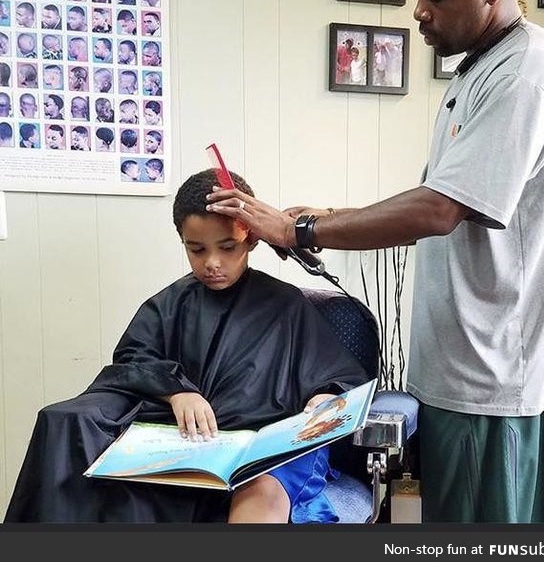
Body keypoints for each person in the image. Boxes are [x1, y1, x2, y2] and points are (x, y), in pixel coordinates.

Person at [206, 0, 544, 524]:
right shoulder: (479, 70)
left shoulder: (530, 70)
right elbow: (441, 198)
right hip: (466, 368)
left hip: (494, 377)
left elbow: (440, 209)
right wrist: (329, 213)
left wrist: (300, 229)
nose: (418, 12)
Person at [5, 167, 367, 523]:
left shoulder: (286, 305)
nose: (212, 263)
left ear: (252, 238)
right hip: (187, 440)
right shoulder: (170, 304)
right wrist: (177, 392)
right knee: (65, 421)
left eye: (228, 247)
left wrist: (325, 396)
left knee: (261, 492)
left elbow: (337, 378)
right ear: (182, 241)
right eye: (196, 250)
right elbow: (133, 360)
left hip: (261, 445)